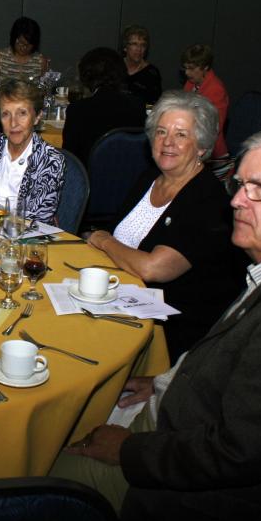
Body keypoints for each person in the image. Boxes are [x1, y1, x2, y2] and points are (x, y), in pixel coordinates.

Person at [52, 130, 261, 520]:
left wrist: (126, 450)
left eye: (258, 189)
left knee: (33, 470)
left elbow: (236, 454)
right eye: (240, 184)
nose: (237, 200)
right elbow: (241, 363)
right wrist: (167, 381)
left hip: (185, 489)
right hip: (180, 420)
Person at [86, 91, 242, 359]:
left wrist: (102, 240)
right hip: (120, 300)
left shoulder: (207, 199)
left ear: (202, 146)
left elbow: (152, 268)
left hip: (172, 335)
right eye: (161, 132)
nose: (167, 142)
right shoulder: (151, 177)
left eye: (181, 134)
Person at [0, 80, 65, 223]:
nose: (13, 123)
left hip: (23, 240)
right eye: (6, 114)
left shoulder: (50, 160)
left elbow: (38, 220)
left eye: (22, 113)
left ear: (37, 117)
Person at [62, 47, 146, 165]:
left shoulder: (78, 109)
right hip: (130, 176)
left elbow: (70, 157)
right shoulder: (137, 105)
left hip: (89, 179)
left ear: (86, 76)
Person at [181, 43, 229, 169]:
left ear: (205, 67)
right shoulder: (191, 83)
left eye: (191, 68)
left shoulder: (216, 89)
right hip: (193, 148)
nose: (187, 73)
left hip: (212, 155)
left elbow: (214, 128)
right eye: (185, 68)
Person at [0, 17, 49, 85]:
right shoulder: (0, 56)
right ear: (14, 38)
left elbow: (44, 87)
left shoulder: (40, 61)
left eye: (28, 45)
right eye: (21, 43)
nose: (24, 47)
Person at [120, 25, 161, 106]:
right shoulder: (114, 66)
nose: (139, 49)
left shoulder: (151, 73)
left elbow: (152, 104)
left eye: (143, 45)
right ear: (125, 47)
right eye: (134, 44)